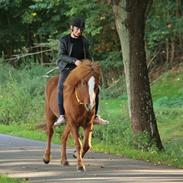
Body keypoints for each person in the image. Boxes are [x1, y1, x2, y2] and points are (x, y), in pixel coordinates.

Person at [54, 17, 109, 126]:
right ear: (71, 28)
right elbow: (61, 55)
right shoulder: (64, 40)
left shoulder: (84, 41)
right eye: (77, 29)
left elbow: (88, 57)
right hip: (68, 68)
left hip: (82, 69)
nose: (79, 31)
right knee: (60, 87)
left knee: (95, 88)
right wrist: (74, 61)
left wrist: (90, 65)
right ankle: (62, 116)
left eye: (81, 29)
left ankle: (95, 116)